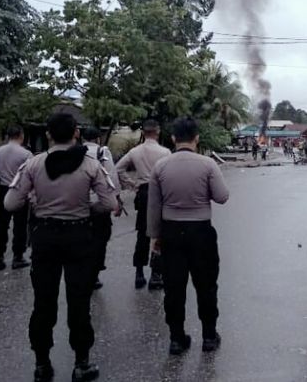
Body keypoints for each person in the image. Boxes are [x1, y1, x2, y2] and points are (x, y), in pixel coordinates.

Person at [5, 113, 118, 382]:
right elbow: (110, 203)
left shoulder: (33, 164)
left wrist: (37, 203)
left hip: (44, 237)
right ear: (76, 133)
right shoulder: (91, 165)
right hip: (79, 236)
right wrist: (86, 208)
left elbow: (10, 203)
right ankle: (81, 363)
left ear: (48, 135)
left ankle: (42, 364)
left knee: (43, 302)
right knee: (79, 301)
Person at [147, 117, 229, 355]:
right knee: (206, 285)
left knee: (174, 288)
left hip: (171, 233)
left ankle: (176, 338)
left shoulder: (161, 166)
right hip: (201, 232)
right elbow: (222, 196)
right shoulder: (208, 165)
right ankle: (209, 336)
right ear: (197, 138)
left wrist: (155, 238)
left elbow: (154, 207)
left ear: (173, 139)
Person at [115, 119, 171, 290]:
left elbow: (118, 168)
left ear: (143, 132)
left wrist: (132, 184)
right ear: (158, 131)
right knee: (158, 234)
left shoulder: (135, 151)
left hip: (144, 192)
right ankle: (156, 275)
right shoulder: (166, 152)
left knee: (142, 233)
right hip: (160, 193)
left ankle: (139, 273)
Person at [81, 127, 122, 290]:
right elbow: (112, 176)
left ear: (82, 137)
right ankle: (95, 273)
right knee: (100, 237)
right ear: (98, 138)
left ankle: (83, 271)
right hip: (99, 203)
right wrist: (117, 200)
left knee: (83, 239)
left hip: (79, 204)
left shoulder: (75, 151)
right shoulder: (102, 151)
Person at [0, 125, 33, 270]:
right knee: (20, 226)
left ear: (7, 136)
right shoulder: (26, 154)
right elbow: (31, 175)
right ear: (21, 135)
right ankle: (17, 257)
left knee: (1, 225)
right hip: (19, 191)